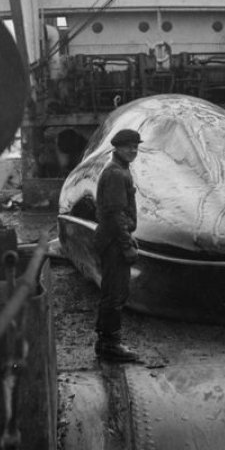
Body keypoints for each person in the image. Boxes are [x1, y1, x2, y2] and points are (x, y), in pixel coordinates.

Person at [93, 129, 143, 361]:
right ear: (117, 148)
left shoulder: (120, 169)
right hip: (113, 241)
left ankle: (108, 340)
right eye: (128, 147)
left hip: (113, 237)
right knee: (115, 293)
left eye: (136, 146)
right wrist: (126, 246)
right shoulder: (115, 173)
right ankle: (109, 344)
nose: (133, 150)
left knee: (114, 291)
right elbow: (114, 215)